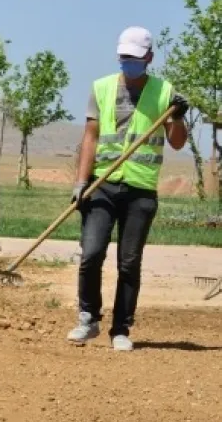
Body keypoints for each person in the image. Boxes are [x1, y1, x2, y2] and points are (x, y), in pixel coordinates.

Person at [66, 26, 189, 351]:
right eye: (124, 57)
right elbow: (91, 137)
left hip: (141, 192)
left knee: (129, 262)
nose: (128, 62)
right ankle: (88, 318)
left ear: (148, 58)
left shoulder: (164, 93)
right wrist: (81, 182)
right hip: (102, 185)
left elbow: (177, 143)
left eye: (134, 58)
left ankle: (121, 328)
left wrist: (178, 118)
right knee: (91, 253)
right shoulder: (101, 88)